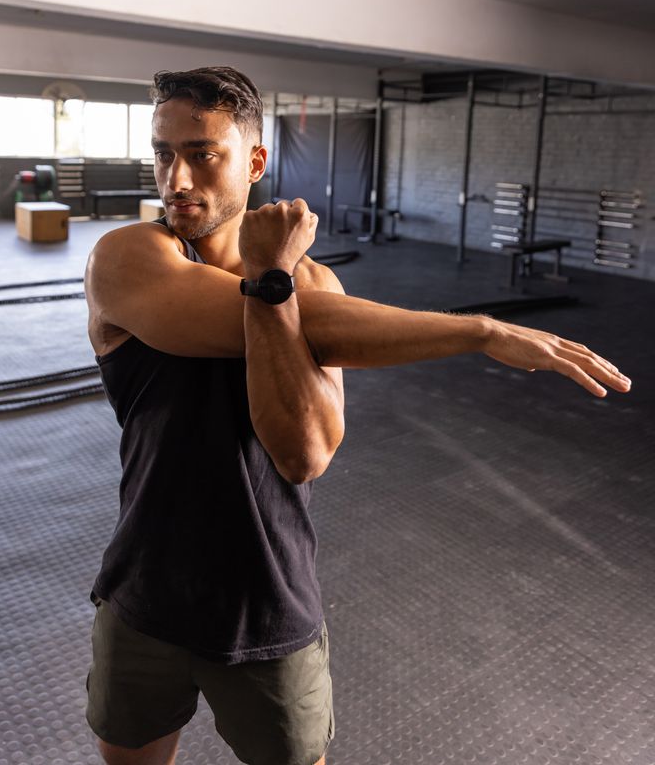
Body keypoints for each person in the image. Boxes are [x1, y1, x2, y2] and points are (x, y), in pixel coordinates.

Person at [83, 66, 631, 765]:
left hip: (270, 598)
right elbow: (275, 317)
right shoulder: (128, 258)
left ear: (255, 161)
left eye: (202, 154)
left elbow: (305, 454)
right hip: (144, 593)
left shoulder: (314, 284)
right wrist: (482, 331)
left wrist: (277, 281)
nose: (177, 180)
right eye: (163, 152)